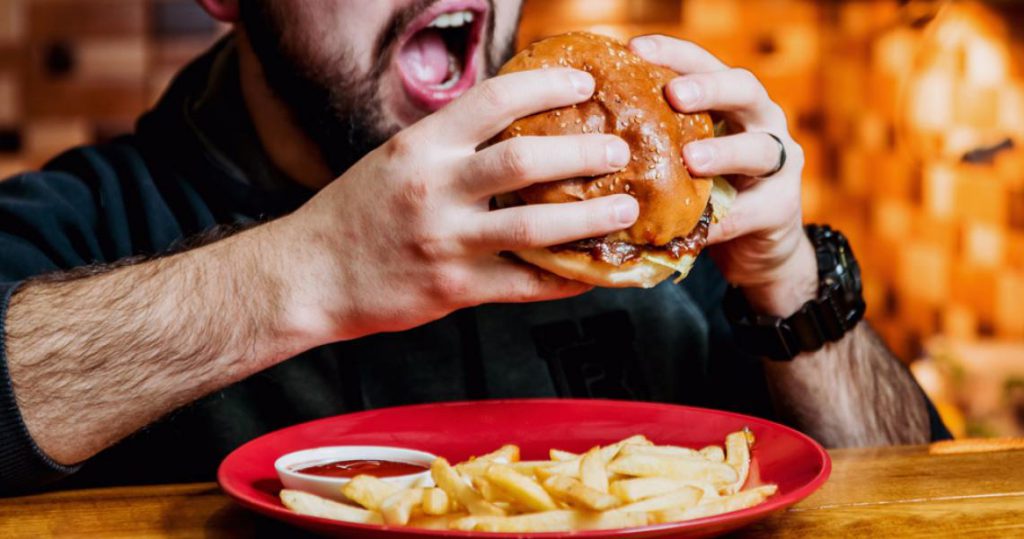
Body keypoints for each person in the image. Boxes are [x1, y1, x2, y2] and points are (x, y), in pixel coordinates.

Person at [0, 0, 948, 495]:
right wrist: (313, 267)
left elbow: (917, 505)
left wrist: (788, 277)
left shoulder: (633, 227)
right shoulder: (91, 219)